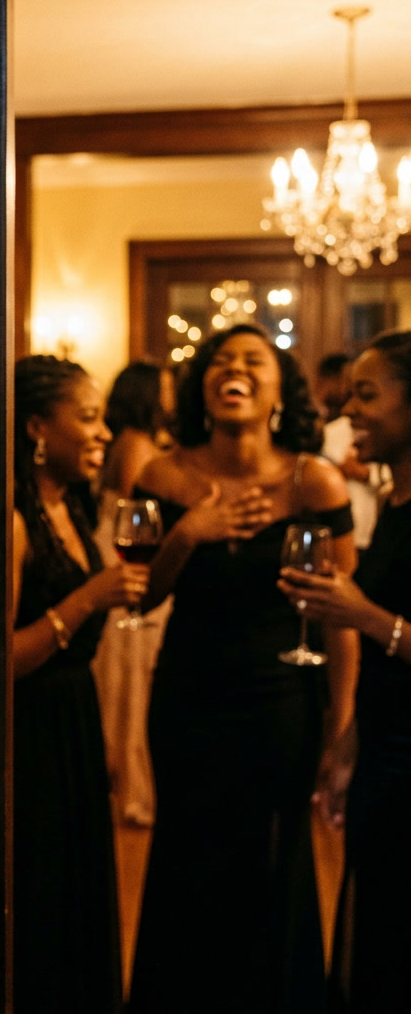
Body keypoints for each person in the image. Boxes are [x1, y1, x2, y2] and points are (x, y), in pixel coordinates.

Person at [128, 323, 358, 1013]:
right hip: (188, 698)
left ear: (277, 389)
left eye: (252, 361)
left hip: (282, 699)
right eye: (221, 361)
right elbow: (142, 594)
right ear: (204, 385)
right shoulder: (162, 474)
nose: (234, 369)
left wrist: (342, 728)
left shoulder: (310, 478)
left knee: (274, 861)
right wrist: (189, 534)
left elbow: (340, 617)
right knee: (187, 858)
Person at [12, 354, 150, 1013]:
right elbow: (1, 659)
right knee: (46, 896)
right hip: (32, 734)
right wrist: (90, 599)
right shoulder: (13, 524)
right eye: (88, 418)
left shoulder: (71, 506)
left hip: (75, 718)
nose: (103, 433)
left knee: (82, 886)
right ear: (38, 427)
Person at [279, 330, 411, 1012]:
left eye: (367, 394)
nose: (348, 409)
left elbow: (385, 625)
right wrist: (349, 740)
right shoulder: (394, 503)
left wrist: (365, 615)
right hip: (386, 754)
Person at [92, 360, 175, 828]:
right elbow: (136, 521)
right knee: (132, 678)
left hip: (117, 552)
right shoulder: (138, 447)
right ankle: (132, 790)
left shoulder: (131, 441)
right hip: (127, 560)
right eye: (165, 387)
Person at [315, 352, 391, 553]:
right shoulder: (330, 433)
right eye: (351, 393)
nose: (349, 408)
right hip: (345, 537)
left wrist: (366, 474)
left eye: (366, 395)